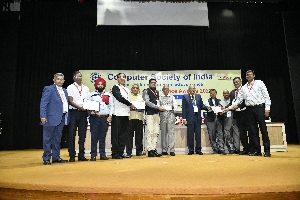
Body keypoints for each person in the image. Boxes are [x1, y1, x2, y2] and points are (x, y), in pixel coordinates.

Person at [225, 70, 271, 157]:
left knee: (263, 130)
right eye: (247, 75)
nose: (248, 76)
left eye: (250, 74)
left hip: (259, 108)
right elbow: (238, 100)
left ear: (254, 75)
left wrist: (267, 108)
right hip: (249, 110)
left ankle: (267, 150)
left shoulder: (259, 83)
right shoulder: (244, 87)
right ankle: (257, 150)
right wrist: (228, 108)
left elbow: (266, 96)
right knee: (253, 132)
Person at [40, 73, 69, 165]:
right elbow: (43, 103)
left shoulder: (64, 90)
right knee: (47, 139)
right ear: (54, 80)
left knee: (57, 139)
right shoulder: (49, 89)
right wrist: (43, 116)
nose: (60, 81)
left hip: (61, 118)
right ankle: (46, 158)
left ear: (64, 81)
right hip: (50, 118)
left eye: (61, 79)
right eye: (58, 79)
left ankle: (56, 157)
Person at [87, 77, 113, 161]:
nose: (100, 85)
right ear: (95, 85)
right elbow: (87, 105)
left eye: (102, 84)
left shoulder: (108, 95)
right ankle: (93, 155)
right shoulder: (91, 95)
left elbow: (111, 106)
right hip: (94, 118)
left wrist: (110, 116)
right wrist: (90, 110)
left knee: (102, 137)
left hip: (104, 118)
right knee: (94, 137)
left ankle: (102, 155)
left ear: (104, 85)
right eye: (99, 84)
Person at [111, 73, 136, 159]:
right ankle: (115, 153)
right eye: (120, 77)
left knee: (123, 135)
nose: (122, 78)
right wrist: (130, 104)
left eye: (124, 77)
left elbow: (128, 100)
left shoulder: (127, 89)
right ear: (117, 79)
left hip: (126, 114)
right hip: (117, 114)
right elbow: (119, 97)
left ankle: (121, 152)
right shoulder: (115, 87)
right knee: (116, 135)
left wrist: (131, 106)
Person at [67, 71, 89, 162]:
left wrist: (87, 107)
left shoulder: (86, 88)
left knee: (82, 134)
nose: (79, 77)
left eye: (80, 76)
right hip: (73, 112)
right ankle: (72, 155)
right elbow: (70, 100)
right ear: (73, 77)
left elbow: (87, 101)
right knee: (72, 134)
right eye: (77, 76)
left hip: (83, 113)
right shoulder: (70, 87)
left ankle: (81, 155)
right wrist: (79, 107)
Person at [227, 77, 252, 155]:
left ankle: (252, 149)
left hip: (246, 113)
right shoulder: (232, 92)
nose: (236, 83)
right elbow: (232, 103)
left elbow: (246, 100)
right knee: (242, 132)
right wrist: (225, 108)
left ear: (241, 81)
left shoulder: (245, 89)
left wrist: (238, 106)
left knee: (250, 131)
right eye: (234, 82)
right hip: (237, 114)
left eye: (237, 81)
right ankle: (246, 149)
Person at [182, 85, 209, 155]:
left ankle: (198, 150)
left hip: (197, 118)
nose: (192, 90)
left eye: (193, 88)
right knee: (190, 135)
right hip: (189, 118)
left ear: (195, 89)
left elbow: (201, 106)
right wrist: (184, 119)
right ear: (188, 90)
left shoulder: (198, 96)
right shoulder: (185, 96)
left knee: (198, 135)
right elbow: (184, 109)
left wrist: (207, 108)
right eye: (191, 89)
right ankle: (191, 150)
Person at [143, 78, 165, 157]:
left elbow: (158, 102)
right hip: (149, 114)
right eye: (152, 83)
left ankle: (153, 149)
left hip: (156, 114)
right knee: (150, 132)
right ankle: (149, 150)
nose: (154, 84)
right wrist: (157, 107)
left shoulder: (157, 92)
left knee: (156, 132)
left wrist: (162, 107)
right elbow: (147, 102)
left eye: (155, 83)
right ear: (149, 84)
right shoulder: (146, 91)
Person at [204, 89, 226, 155]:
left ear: (216, 93)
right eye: (211, 93)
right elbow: (206, 108)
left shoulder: (220, 101)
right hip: (211, 119)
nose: (213, 94)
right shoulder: (207, 101)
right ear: (210, 94)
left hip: (219, 119)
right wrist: (209, 108)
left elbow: (223, 109)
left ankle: (221, 148)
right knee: (212, 134)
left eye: (214, 93)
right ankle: (215, 148)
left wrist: (221, 109)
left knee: (220, 134)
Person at [125, 84, 144, 157]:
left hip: (139, 118)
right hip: (130, 118)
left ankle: (139, 151)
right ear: (131, 89)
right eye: (134, 88)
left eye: (136, 88)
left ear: (139, 89)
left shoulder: (141, 97)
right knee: (129, 136)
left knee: (139, 136)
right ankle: (129, 152)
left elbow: (143, 106)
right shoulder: (128, 97)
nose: (135, 89)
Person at [159, 85, 178, 156]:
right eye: (165, 89)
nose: (166, 90)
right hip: (163, 118)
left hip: (170, 118)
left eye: (167, 89)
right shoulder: (160, 97)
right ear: (162, 90)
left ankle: (172, 150)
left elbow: (176, 106)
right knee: (163, 134)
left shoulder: (172, 97)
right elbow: (158, 106)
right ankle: (164, 150)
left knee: (171, 134)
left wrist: (173, 106)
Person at [220, 89, 236, 154]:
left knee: (236, 134)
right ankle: (231, 148)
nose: (226, 94)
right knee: (228, 134)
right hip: (227, 120)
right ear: (223, 94)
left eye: (227, 93)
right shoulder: (221, 102)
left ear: (229, 93)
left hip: (235, 119)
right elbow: (220, 113)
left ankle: (236, 148)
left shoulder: (233, 101)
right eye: (224, 93)